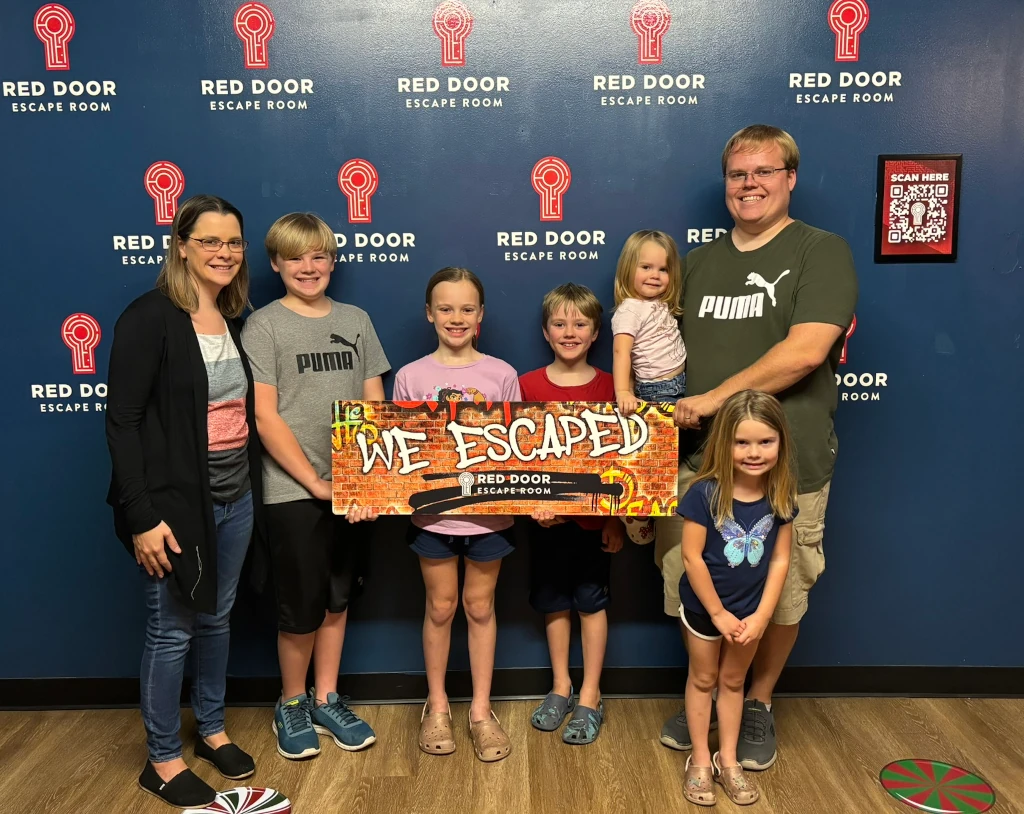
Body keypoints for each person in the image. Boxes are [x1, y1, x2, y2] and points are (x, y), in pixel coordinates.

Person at [656, 125, 858, 770]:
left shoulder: (819, 252)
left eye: (764, 172)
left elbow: (805, 351)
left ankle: (757, 702)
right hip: (698, 464)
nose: (750, 184)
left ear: (790, 178)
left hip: (785, 465)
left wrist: (716, 400)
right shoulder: (703, 261)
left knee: (781, 588)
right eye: (738, 174)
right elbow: (661, 352)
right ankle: (709, 694)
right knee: (692, 582)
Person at [106, 194, 264, 808]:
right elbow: (122, 423)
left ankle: (213, 727)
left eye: (233, 242)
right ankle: (163, 759)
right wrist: (142, 516)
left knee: (217, 618)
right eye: (210, 241)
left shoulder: (234, 316)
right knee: (171, 629)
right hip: (173, 505)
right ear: (181, 245)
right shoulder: (150, 316)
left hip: (235, 495)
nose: (224, 253)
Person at [241, 213, 389, 760]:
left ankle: (327, 697)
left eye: (319, 255)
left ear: (332, 260)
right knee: (299, 606)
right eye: (295, 257)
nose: (309, 267)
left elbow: (375, 403)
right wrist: (315, 483)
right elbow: (266, 416)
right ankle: (292, 701)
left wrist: (363, 483)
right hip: (293, 491)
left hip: (352, 487)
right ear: (276, 263)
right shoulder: (265, 325)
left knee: (337, 596)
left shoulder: (356, 318)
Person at [392, 266, 520, 762]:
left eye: (467, 308)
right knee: (441, 607)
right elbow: (396, 453)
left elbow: (520, 450)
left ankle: (482, 711)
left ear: (481, 315)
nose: (456, 317)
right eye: (446, 308)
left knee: (480, 607)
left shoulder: (501, 374)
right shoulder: (411, 375)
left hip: (488, 519)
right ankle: (439, 705)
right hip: (433, 519)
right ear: (429, 313)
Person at [518, 283, 626, 745]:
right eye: (559, 324)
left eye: (579, 324)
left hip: (594, 525)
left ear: (596, 330)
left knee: (591, 602)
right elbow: (513, 457)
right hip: (545, 523)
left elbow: (627, 461)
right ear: (546, 331)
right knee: (554, 602)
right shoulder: (525, 385)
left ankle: (590, 695)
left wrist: (617, 519)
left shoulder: (612, 388)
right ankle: (561, 685)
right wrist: (531, 506)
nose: (569, 332)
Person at [678, 390, 796, 806]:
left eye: (765, 441)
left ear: (781, 442)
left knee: (733, 682)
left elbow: (781, 560)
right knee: (704, 679)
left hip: (750, 614)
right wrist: (718, 613)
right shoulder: (704, 494)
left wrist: (763, 616)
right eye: (742, 442)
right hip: (704, 611)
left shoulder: (781, 495)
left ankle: (728, 760)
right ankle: (698, 759)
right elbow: (691, 557)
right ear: (724, 443)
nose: (754, 452)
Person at [611, 230, 686, 416]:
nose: (655, 275)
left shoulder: (657, 302)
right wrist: (622, 392)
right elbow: (621, 352)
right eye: (646, 267)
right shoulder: (629, 311)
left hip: (681, 384)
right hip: (658, 391)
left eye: (663, 269)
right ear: (628, 268)